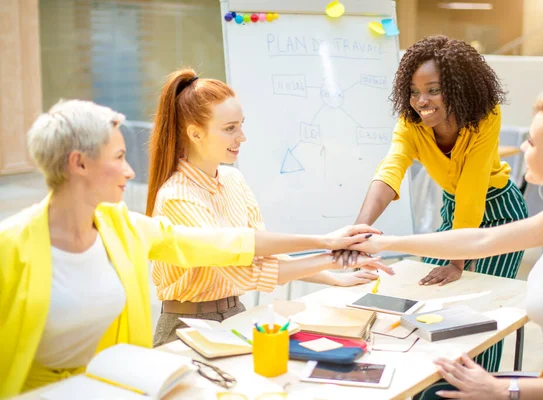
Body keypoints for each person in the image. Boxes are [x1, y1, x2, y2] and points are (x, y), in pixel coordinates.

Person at [0, 100, 381, 397]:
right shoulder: (10, 247)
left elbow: (225, 244)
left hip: (114, 387)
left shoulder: (125, 229)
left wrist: (326, 243)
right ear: (78, 164)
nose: (131, 172)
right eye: (118, 158)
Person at [349, 85, 543, 399]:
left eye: (533, 142)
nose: (522, 147)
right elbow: (482, 239)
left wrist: (499, 389)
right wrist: (387, 243)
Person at [145, 69, 392, 346]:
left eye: (241, 125)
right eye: (230, 129)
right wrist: (332, 252)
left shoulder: (233, 180)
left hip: (234, 315)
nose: (242, 137)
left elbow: (263, 256)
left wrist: (335, 277)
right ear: (195, 134)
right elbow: (244, 271)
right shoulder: (178, 197)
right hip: (186, 328)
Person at [338, 35, 528, 373]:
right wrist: (358, 230)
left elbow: (472, 191)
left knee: (480, 313)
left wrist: (457, 263)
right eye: (413, 91)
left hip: (498, 211)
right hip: (454, 210)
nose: (421, 100)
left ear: (458, 88)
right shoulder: (410, 126)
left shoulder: (485, 116)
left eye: (433, 89)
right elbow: (390, 171)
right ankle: (430, 386)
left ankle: (477, 388)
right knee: (426, 303)